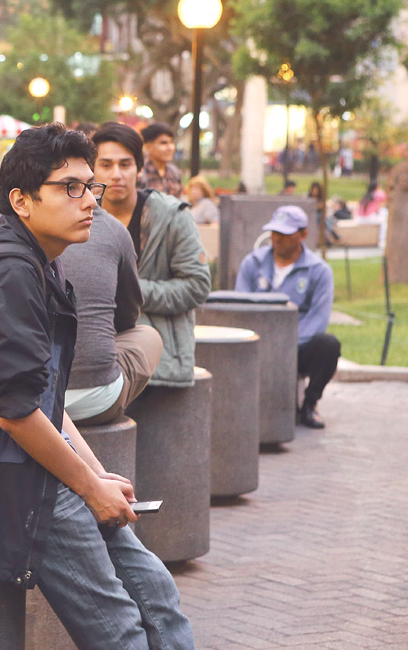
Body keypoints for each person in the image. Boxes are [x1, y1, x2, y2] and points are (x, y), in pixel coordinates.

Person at [0, 124, 203, 650]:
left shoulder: (40, 261)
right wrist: (86, 486)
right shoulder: (9, 274)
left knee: (154, 588)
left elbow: (46, 397)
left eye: (91, 187)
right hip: (8, 474)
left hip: (42, 462)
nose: (90, 203)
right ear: (21, 201)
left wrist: (98, 478)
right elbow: (16, 415)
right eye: (71, 188)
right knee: (121, 625)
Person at [91, 123, 211, 392]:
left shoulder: (171, 216)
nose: (117, 175)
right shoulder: (81, 217)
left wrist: (130, 291)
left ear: (139, 167)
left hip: (160, 361)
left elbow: (197, 286)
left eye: (126, 164)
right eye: (106, 165)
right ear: (93, 169)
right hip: (92, 361)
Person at [235, 205, 340, 429]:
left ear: (303, 235)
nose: (277, 239)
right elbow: (239, 308)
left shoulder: (319, 271)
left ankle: (310, 404)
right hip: (255, 343)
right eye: (274, 233)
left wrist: (284, 344)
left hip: (297, 346)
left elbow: (318, 320)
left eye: (285, 234)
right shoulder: (252, 263)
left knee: (329, 345)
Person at [57, 207, 164, 427]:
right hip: (93, 399)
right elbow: (127, 317)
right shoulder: (110, 228)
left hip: (13, 396)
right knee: (148, 335)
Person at [138, 123, 183, 197]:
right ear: (148, 146)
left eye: (171, 142)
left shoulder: (175, 172)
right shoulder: (140, 173)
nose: (170, 148)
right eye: (163, 143)